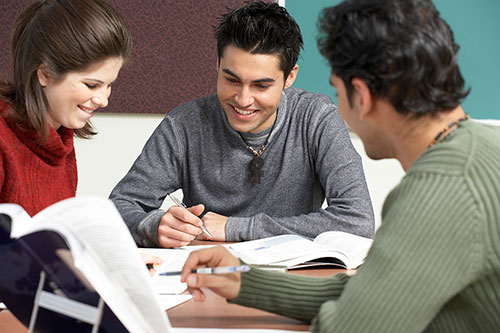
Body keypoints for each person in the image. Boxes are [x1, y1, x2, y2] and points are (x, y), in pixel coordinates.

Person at [179, 0, 500, 331]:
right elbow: (371, 296)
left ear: (361, 95)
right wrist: (244, 283)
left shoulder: (439, 189)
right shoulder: (482, 152)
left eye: (336, 91)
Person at [109, 1, 374, 248]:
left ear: (290, 76)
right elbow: (119, 206)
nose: (243, 100)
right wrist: (152, 225)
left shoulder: (316, 118)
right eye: (232, 80)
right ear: (218, 65)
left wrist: (237, 228)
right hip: (208, 279)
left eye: (261, 85)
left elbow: (358, 221)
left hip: (291, 279)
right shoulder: (184, 126)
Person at [0, 0, 161, 269]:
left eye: (109, 85)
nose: (103, 99)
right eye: (92, 85)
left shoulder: (60, 138)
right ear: (45, 74)